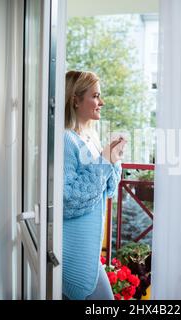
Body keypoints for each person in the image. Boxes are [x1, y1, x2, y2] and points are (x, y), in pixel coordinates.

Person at [62, 70, 126, 300]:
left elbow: (107, 190)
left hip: (88, 252)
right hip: (73, 252)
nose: (102, 102)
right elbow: (68, 200)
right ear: (75, 100)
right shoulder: (65, 140)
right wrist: (105, 160)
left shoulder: (91, 138)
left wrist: (112, 157)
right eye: (96, 96)